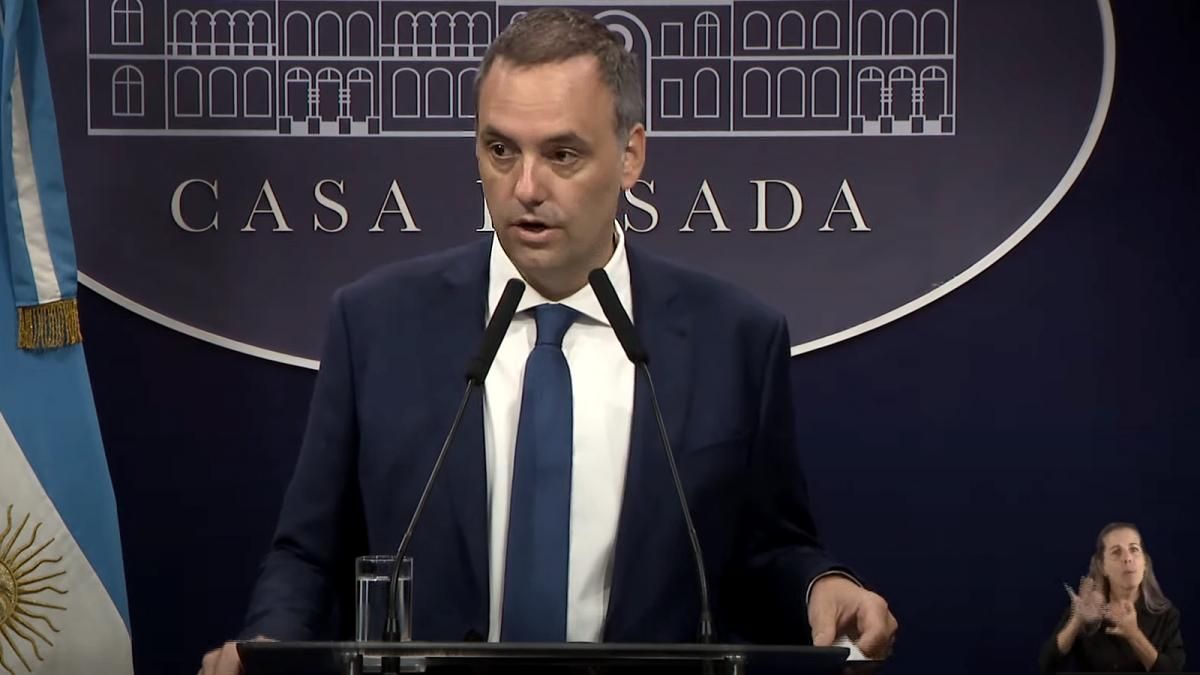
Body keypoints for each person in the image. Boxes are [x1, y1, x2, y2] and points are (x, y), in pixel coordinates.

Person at [199, 8, 897, 674]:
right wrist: (268, 647)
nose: (525, 187)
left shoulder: (734, 338)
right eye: (500, 150)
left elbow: (770, 549)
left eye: (562, 154)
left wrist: (822, 586)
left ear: (630, 155)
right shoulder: (376, 323)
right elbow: (309, 554)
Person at [1040, 522, 1184, 672]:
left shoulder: (1166, 615)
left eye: (1134, 549)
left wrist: (1134, 635)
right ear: (1102, 566)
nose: (1127, 558)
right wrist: (1076, 621)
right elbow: (1048, 664)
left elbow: (1172, 670)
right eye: (1116, 552)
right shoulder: (1085, 608)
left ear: (1145, 563)